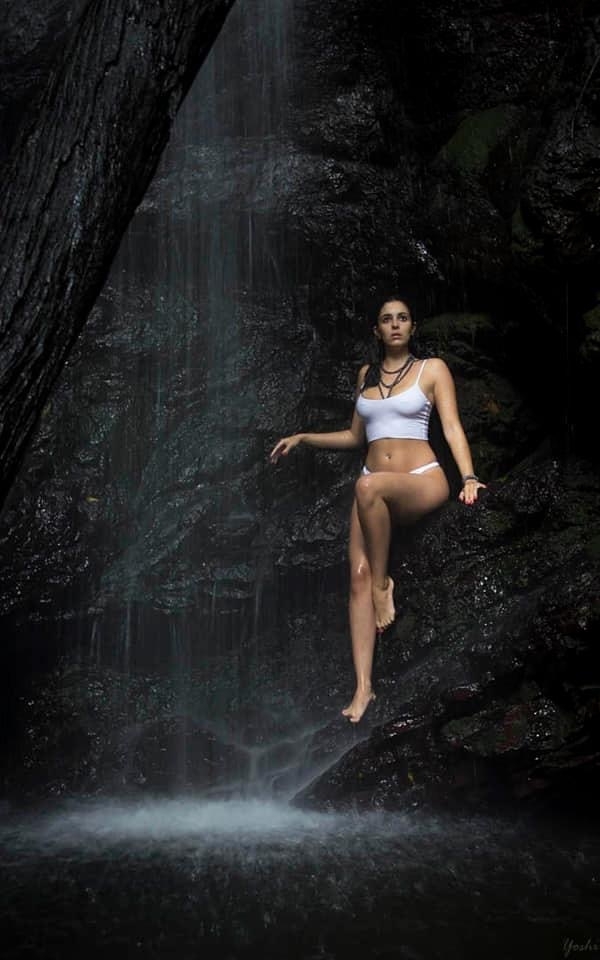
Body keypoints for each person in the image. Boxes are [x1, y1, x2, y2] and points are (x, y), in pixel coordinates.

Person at [269, 296, 486, 723]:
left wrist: (469, 477)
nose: (396, 325)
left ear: (413, 327)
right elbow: (356, 437)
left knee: (366, 488)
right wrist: (304, 437)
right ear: (377, 331)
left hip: (421, 479)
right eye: (387, 320)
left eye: (403, 318)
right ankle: (363, 687)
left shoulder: (432, 369)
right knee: (356, 575)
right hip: (374, 487)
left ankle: (383, 585)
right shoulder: (366, 375)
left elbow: (451, 427)